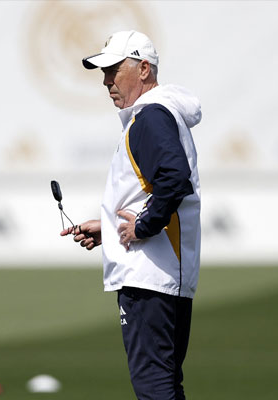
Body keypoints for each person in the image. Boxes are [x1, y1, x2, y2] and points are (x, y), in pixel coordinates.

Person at [60, 30, 202, 399]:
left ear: (143, 69)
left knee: (154, 388)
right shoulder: (159, 113)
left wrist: (144, 225)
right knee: (166, 386)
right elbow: (156, 187)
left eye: (113, 70)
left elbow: (173, 179)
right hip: (164, 276)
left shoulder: (151, 116)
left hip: (149, 278)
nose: (107, 81)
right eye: (103, 72)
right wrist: (109, 228)